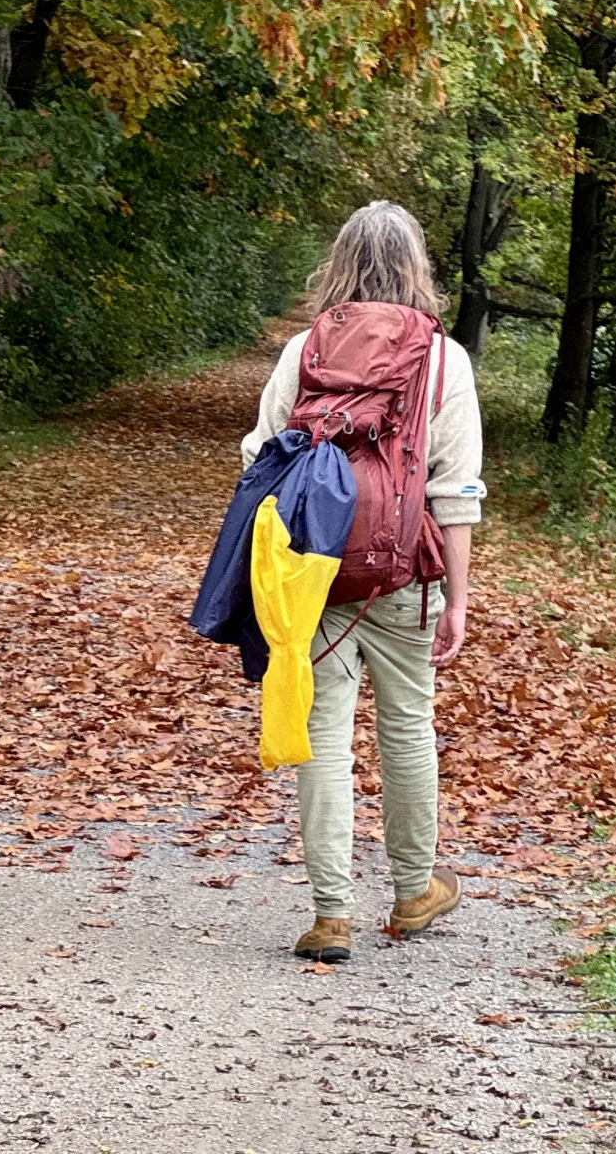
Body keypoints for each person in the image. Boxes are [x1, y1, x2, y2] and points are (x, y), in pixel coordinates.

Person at [240, 200, 485, 965]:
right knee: (408, 726)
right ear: (417, 268)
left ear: (338, 264)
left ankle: (331, 914)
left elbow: (260, 460)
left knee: (323, 734)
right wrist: (458, 599)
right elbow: (457, 489)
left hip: (316, 567)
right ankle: (414, 891)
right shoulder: (445, 361)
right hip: (406, 568)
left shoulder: (304, 351)